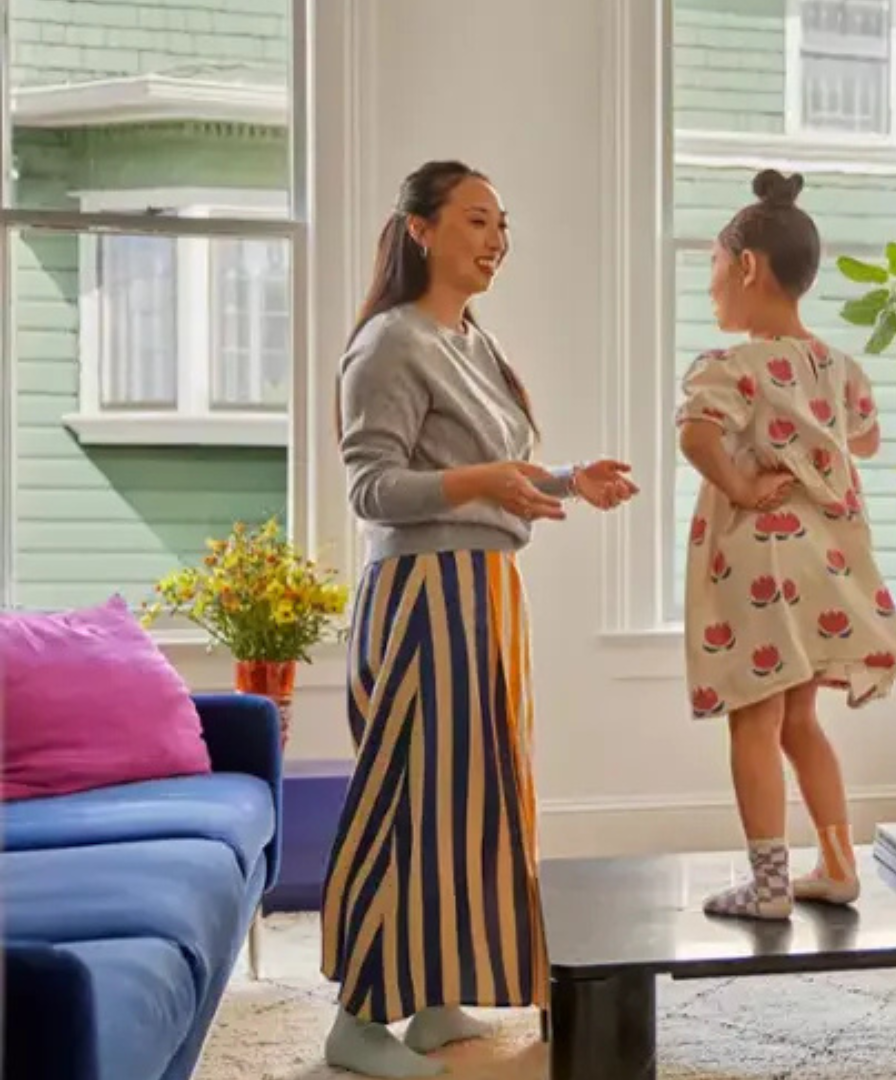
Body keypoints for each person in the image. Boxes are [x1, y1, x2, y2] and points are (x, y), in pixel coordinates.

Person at [320, 159, 639, 1078]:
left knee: (467, 805)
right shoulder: (390, 343)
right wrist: (487, 482)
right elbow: (373, 488)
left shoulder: (471, 343)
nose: (496, 240)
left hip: (486, 593)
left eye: (502, 225)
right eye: (475, 221)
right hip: (424, 597)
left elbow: (489, 475)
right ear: (420, 229)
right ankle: (356, 1019)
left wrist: (567, 480)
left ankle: (428, 998)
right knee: (405, 801)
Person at [676, 169, 896, 920]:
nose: (711, 284)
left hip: (762, 562)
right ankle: (838, 865)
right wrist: (815, 437)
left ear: (748, 266)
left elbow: (695, 434)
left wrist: (743, 487)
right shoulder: (840, 369)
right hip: (823, 561)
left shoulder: (732, 366)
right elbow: (865, 441)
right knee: (800, 720)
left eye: (716, 265)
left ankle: (769, 883)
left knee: (755, 719)